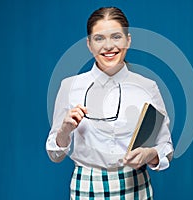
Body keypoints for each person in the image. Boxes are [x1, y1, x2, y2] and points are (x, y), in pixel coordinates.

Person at [46, 6, 174, 200]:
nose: (108, 46)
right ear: (89, 44)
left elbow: (166, 149)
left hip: (136, 187)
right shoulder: (70, 86)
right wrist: (64, 130)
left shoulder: (148, 87)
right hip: (87, 188)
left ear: (128, 40)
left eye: (116, 37)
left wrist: (149, 154)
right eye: (99, 38)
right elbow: (55, 156)